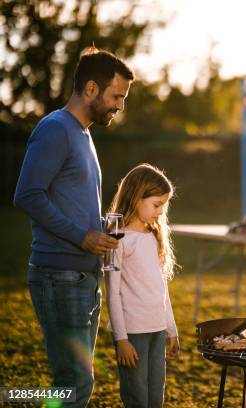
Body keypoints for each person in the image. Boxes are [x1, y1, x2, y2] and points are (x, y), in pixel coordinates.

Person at [13, 48, 133, 406]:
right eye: (117, 96)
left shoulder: (82, 134)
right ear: (92, 89)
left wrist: (100, 228)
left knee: (78, 381)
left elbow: (71, 204)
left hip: (82, 276)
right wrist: (82, 236)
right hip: (59, 275)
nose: (120, 106)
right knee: (72, 381)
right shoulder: (55, 129)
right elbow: (27, 196)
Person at [105, 164, 180, 407]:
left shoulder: (153, 237)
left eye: (163, 206)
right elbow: (112, 294)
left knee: (155, 394)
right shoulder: (116, 241)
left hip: (157, 331)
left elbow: (162, 289)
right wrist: (121, 340)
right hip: (133, 334)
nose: (160, 212)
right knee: (136, 395)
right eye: (156, 205)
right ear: (137, 197)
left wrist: (171, 328)